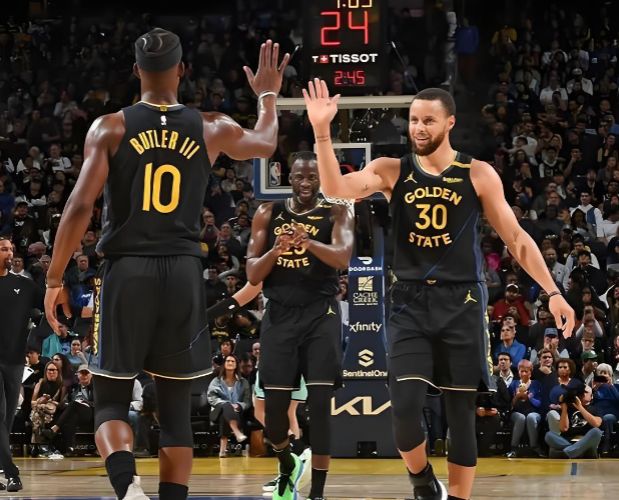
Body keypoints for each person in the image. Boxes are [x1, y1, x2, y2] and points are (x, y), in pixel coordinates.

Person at [43, 28, 289, 500]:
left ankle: (128, 488)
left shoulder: (110, 127)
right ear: (182, 70)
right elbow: (264, 143)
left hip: (127, 271)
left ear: (137, 70)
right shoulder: (210, 126)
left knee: (110, 403)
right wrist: (268, 95)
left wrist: (55, 277)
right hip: (181, 273)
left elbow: (79, 207)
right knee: (176, 414)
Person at [303, 82, 575, 500]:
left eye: (428, 120)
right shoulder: (392, 169)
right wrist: (322, 131)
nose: (418, 127)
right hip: (409, 301)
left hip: (462, 302)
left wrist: (553, 292)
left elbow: (517, 239)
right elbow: (336, 190)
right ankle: (422, 481)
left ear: (449, 123)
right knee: (404, 410)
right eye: (414, 120)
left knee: (461, 416)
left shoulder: (477, 173)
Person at [246, 151, 354, 500]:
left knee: (320, 407)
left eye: (312, 177)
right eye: (299, 177)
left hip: (321, 315)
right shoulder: (268, 212)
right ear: (288, 178)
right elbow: (253, 273)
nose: (306, 183)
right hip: (279, 316)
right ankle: (286, 463)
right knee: (274, 415)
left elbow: (342, 257)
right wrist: (277, 249)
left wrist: (307, 241)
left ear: (321, 178)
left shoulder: (337, 210)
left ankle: (317, 493)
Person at [0, 237, 41, 491]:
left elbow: (48, 307)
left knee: (7, 419)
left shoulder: (24, 285)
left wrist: (35, 337)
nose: (10, 253)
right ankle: (12, 473)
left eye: (11, 249)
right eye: (4, 249)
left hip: (15, 360)